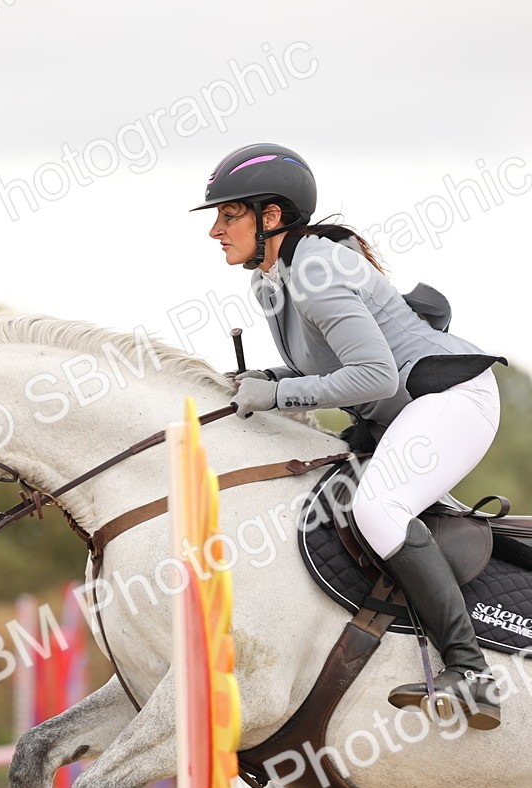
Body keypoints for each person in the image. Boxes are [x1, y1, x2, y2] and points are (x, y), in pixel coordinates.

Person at [193, 143, 507, 729]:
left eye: (228, 215)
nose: (215, 230)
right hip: (399, 409)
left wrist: (280, 394)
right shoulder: (275, 277)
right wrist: (267, 378)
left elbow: (374, 374)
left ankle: (473, 673)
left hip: (449, 399)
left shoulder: (314, 272)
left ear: (272, 217)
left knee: (379, 509)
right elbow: (329, 368)